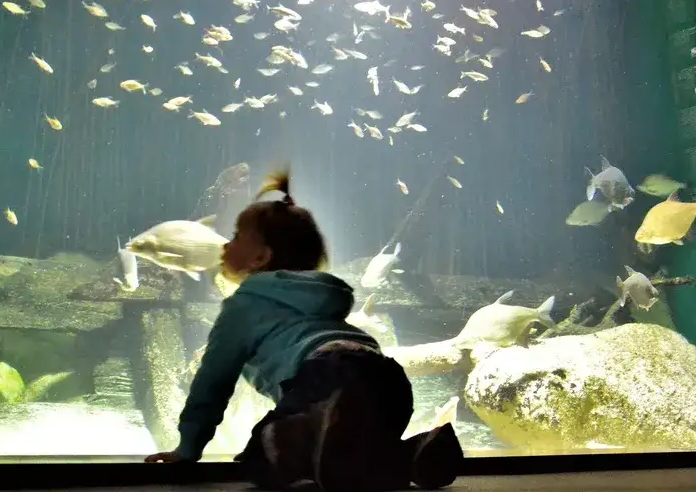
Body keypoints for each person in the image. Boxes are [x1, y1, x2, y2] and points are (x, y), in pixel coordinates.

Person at [145, 167, 462, 491]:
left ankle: (318, 436)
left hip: (325, 375)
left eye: (236, 236)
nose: (225, 244)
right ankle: (410, 455)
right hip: (385, 377)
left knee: (260, 460)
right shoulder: (326, 298)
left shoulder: (246, 303)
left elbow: (213, 379)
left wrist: (188, 448)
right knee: (366, 448)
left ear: (260, 257)